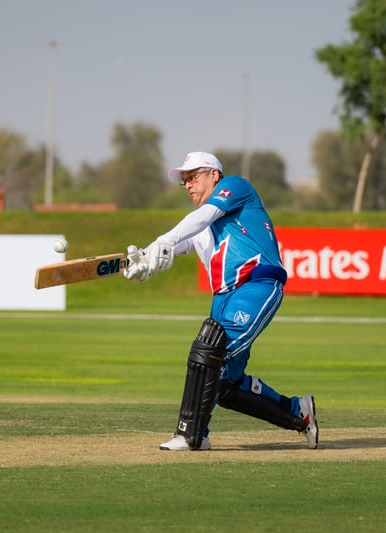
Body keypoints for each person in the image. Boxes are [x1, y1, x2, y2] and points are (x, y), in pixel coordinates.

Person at [123, 151, 319, 451]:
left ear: (214, 175)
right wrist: (143, 261)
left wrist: (165, 239)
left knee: (209, 353)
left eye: (194, 176)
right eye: (184, 181)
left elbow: (195, 222)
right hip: (223, 299)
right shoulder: (198, 225)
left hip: (257, 285)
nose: (188, 185)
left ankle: (192, 434)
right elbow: (173, 247)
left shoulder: (236, 187)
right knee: (227, 384)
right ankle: (298, 413)